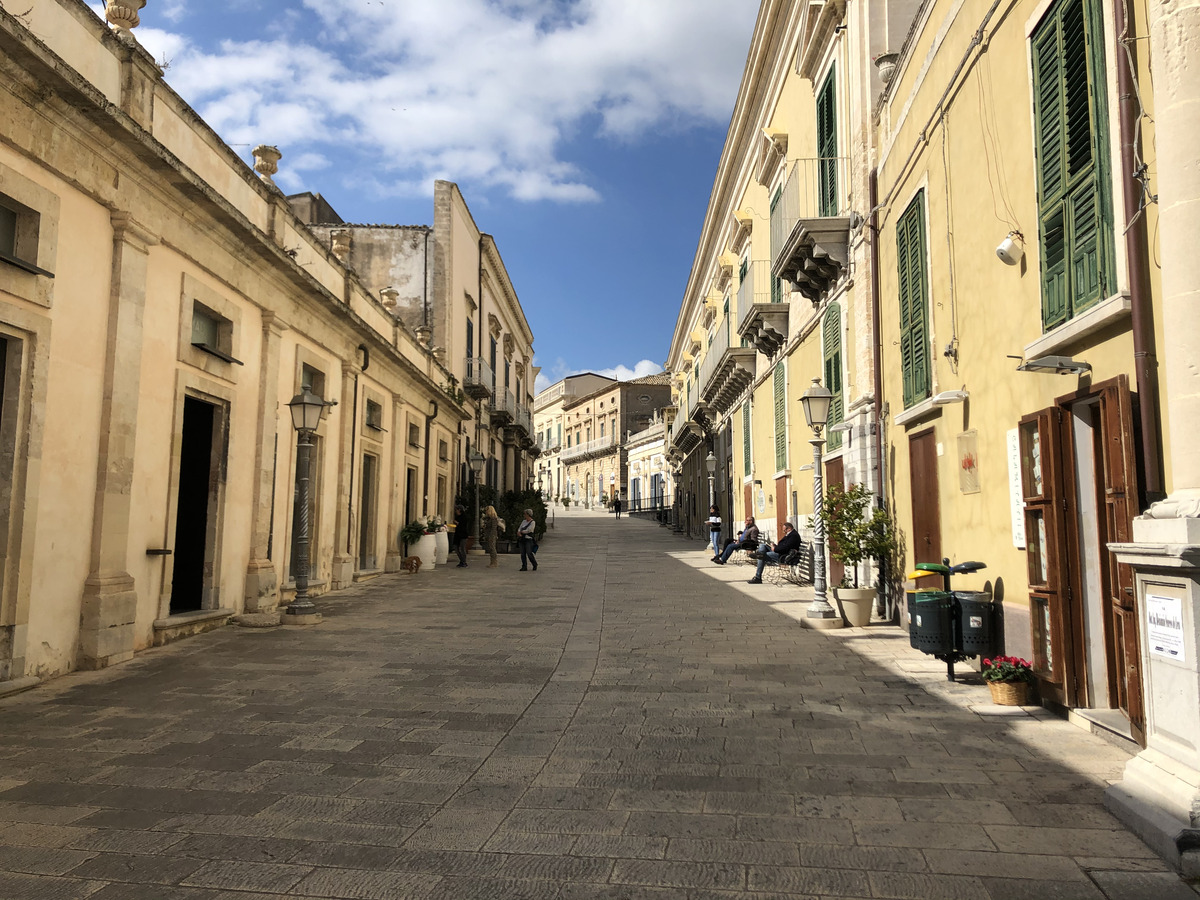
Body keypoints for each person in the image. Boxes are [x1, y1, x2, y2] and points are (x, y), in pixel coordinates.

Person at [454, 503, 473, 567]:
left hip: (463, 535)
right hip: (457, 535)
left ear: (459, 510)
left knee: (462, 548)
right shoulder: (457, 517)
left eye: (456, 510)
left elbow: (463, 525)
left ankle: (464, 561)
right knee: (456, 548)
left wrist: (458, 523)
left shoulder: (464, 517)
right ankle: (461, 560)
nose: (455, 511)